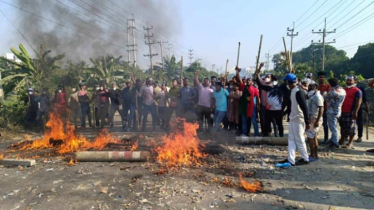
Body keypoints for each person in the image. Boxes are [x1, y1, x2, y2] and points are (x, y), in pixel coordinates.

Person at [277, 73, 310, 167]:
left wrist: (307, 122)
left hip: (299, 120)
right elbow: (291, 106)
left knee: (299, 139)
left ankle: (305, 158)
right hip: (293, 118)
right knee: (291, 139)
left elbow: (305, 108)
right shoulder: (292, 91)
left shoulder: (299, 92)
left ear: (288, 82)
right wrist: (284, 113)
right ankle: (291, 159)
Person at [256, 72, 286, 137]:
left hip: (278, 110)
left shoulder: (281, 88)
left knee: (279, 124)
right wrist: (257, 75)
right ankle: (266, 135)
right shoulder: (268, 88)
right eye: (273, 80)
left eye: (275, 80)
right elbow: (260, 85)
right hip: (269, 110)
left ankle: (280, 136)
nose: (274, 81)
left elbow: (287, 83)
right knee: (267, 123)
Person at [339, 75, 362, 148]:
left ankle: (350, 142)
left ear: (355, 81)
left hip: (351, 111)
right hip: (343, 111)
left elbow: (358, 102)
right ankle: (342, 140)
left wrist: (355, 112)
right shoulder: (343, 89)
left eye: (350, 80)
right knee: (342, 126)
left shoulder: (357, 91)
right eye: (347, 80)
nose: (348, 82)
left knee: (352, 127)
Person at [325, 78, 346, 149]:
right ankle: (333, 140)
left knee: (333, 128)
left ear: (330, 84)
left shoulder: (331, 92)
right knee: (335, 126)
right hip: (339, 110)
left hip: (331, 112)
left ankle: (335, 142)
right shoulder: (343, 91)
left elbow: (324, 96)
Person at [306, 83, 324, 162]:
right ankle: (314, 154)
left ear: (316, 87)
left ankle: (313, 154)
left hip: (314, 119)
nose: (309, 88)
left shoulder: (318, 96)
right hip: (313, 119)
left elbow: (321, 109)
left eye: (311, 87)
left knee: (310, 137)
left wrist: (317, 121)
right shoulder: (313, 95)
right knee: (314, 137)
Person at [317, 71, 331, 144]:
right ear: (318, 78)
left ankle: (326, 138)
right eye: (320, 77)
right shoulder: (316, 86)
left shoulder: (328, 86)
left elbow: (328, 95)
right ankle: (314, 137)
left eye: (323, 77)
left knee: (325, 124)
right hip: (316, 108)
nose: (322, 78)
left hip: (325, 107)